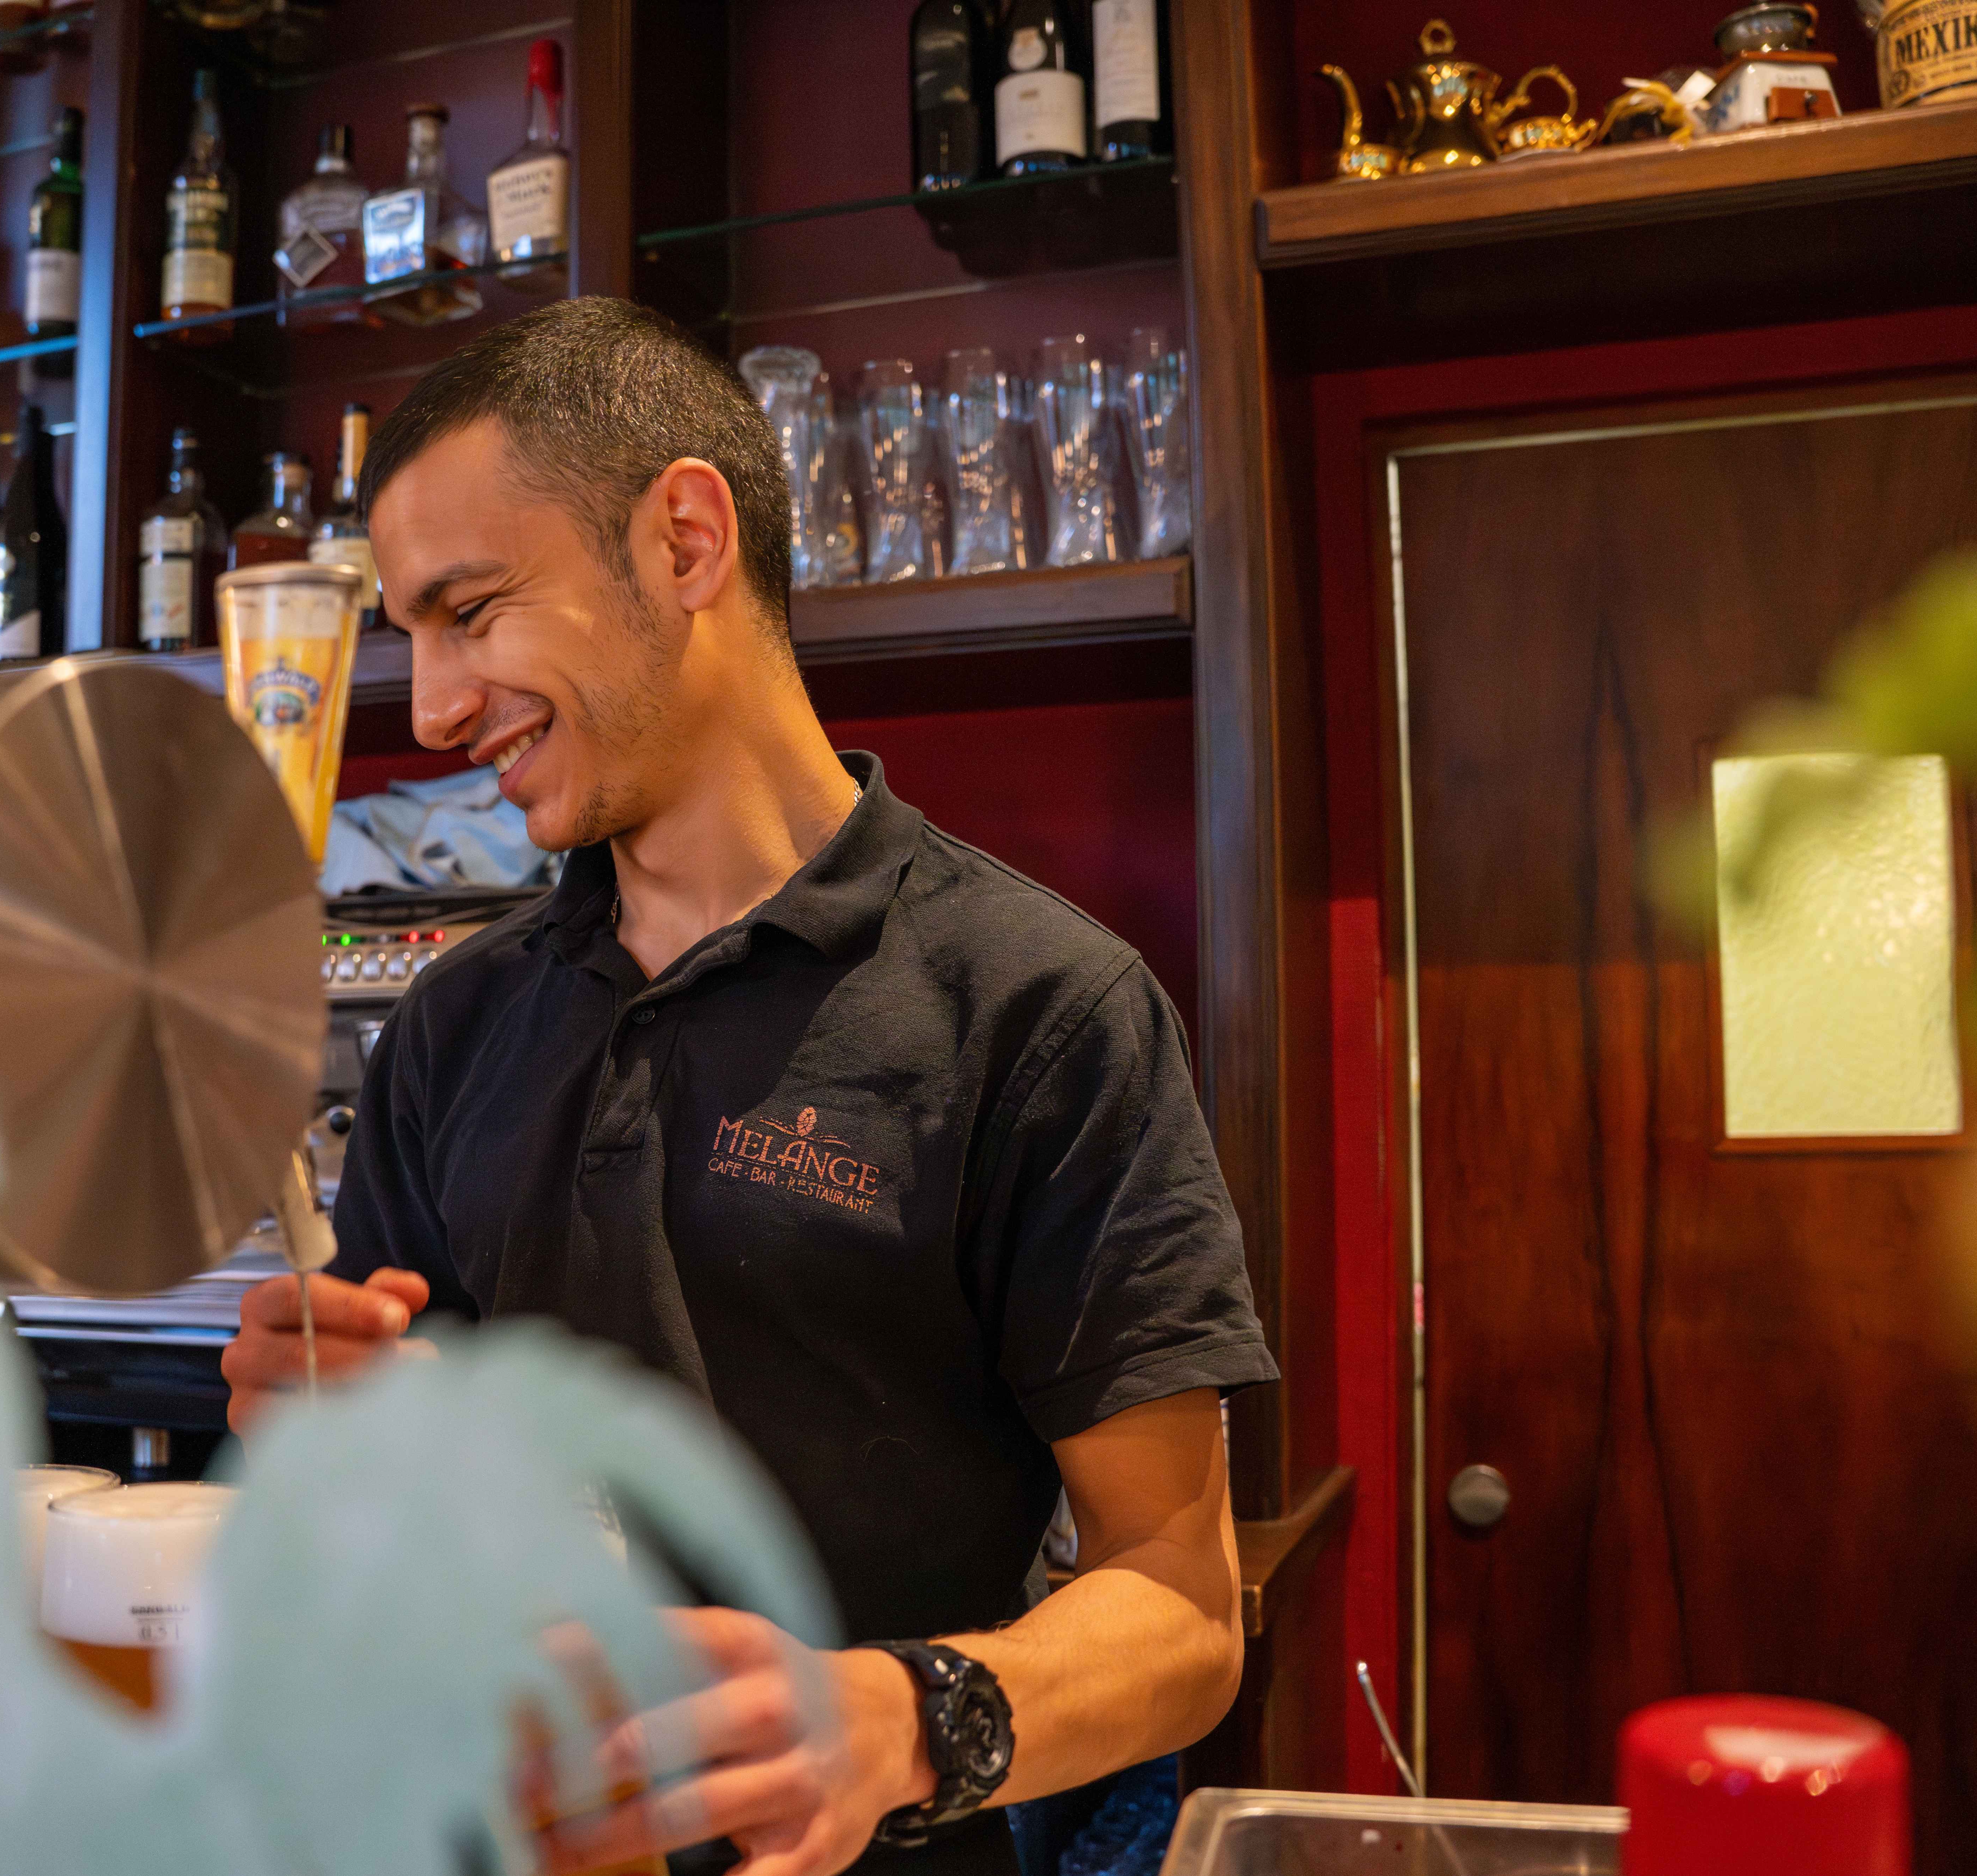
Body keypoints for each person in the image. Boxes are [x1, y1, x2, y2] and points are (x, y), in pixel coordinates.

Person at [222, 298, 1276, 1876]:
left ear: (685, 541)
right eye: (411, 638)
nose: (430, 709)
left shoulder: (1040, 1007)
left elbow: (1183, 1607)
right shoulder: (454, 1022)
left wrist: (901, 1720)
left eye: (472, 612)